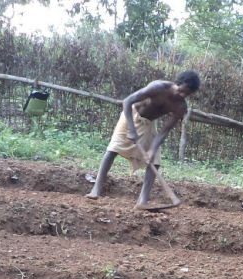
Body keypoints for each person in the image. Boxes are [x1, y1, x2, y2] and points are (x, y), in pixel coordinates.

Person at [86, 70, 201, 208]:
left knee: (155, 162)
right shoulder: (158, 87)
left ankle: (143, 201)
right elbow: (127, 101)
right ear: (178, 82)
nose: (182, 95)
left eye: (187, 94)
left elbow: (164, 131)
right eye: (182, 90)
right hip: (132, 115)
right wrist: (132, 129)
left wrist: (152, 150)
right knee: (113, 149)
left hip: (149, 124)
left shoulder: (180, 106)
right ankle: (96, 190)